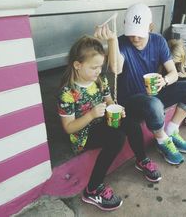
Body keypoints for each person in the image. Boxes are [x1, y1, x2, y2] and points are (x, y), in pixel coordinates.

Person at [57, 36, 161, 211]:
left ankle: (141, 160)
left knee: (131, 123)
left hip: (101, 121)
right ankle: (92, 189)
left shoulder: (100, 80)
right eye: (94, 67)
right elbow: (69, 128)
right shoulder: (68, 92)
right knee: (117, 138)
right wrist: (90, 115)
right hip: (82, 134)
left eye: (100, 66)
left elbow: (110, 101)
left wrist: (117, 109)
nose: (99, 71)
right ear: (77, 65)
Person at [96, 3, 186, 165]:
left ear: (150, 27)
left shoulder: (158, 41)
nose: (135, 38)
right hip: (132, 101)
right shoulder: (121, 42)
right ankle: (162, 141)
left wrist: (164, 80)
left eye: (140, 34)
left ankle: (172, 130)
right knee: (154, 104)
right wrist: (111, 41)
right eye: (132, 33)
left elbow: (173, 73)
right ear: (125, 26)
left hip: (154, 94)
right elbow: (116, 69)